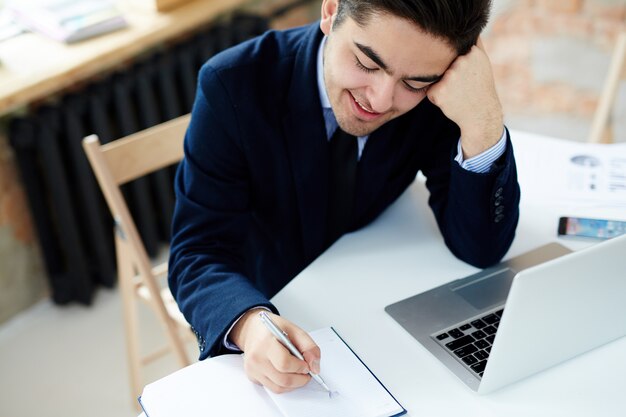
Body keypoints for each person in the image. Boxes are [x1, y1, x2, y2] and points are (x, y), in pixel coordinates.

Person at [169, 0, 520, 394]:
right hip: (275, 300)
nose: (381, 100)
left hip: (380, 309)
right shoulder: (233, 83)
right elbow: (196, 252)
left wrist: (484, 121)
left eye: (414, 83)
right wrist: (250, 325)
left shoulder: (436, 90)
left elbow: (481, 248)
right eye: (368, 64)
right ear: (331, 11)